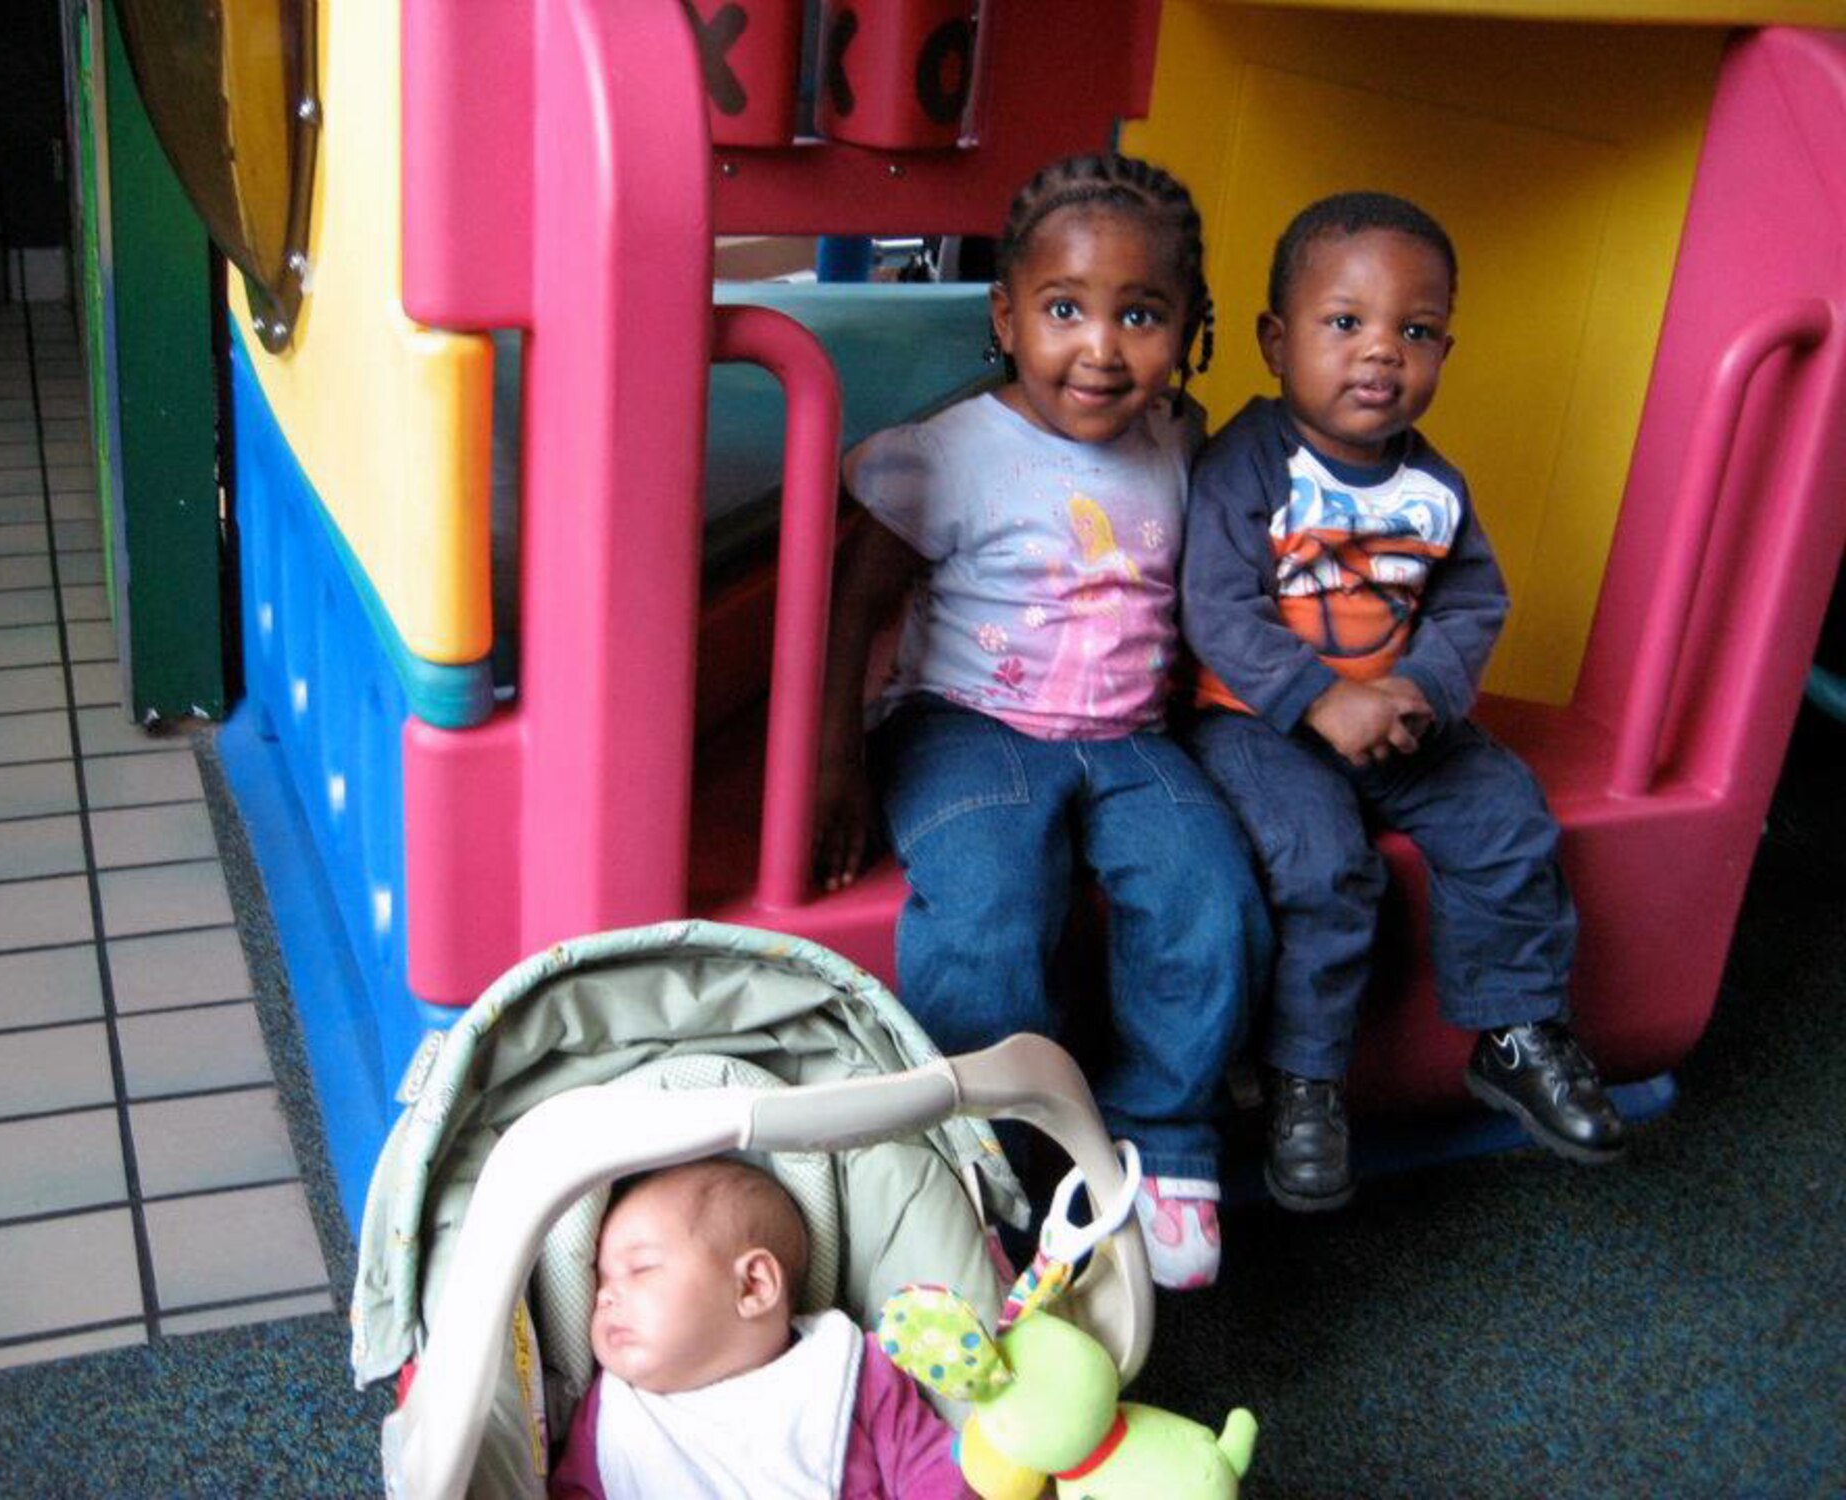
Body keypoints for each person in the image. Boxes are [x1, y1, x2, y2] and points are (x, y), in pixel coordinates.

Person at [813, 152, 1271, 1290]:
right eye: (1064, 310)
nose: (1100, 348)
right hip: (964, 724)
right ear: (1006, 315)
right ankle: (980, 1168)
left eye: (1141, 315)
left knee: (1211, 895)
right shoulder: (953, 451)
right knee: (991, 909)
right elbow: (850, 601)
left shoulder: (1178, 445)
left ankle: (1163, 1137)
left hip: (1126, 737)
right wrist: (835, 764)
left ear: (1189, 331)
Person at [1180, 191, 1626, 1213]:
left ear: (1440, 352)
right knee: (1321, 867)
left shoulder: (1435, 485)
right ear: (1275, 339)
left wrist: (1416, 689)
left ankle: (1513, 1033)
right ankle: (1303, 1080)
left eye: (1412, 332)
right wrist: (1316, 700)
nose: (1380, 353)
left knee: (1505, 818)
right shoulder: (1245, 464)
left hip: (1396, 715)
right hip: (1258, 722)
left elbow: (1472, 602)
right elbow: (1213, 606)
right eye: (1345, 324)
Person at [546, 1159, 969, 1499]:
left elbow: (930, 1466)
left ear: (753, 1285)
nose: (604, 1296)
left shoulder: (846, 1368)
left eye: (640, 1268)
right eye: (601, 1279)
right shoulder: (615, 1411)